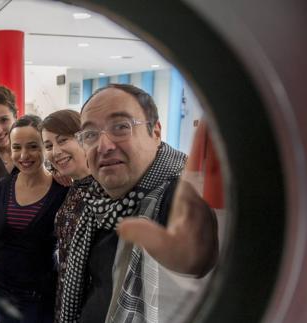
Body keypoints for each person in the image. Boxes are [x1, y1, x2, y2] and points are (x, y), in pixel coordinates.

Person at [60, 84, 218, 323]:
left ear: (156, 133)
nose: (104, 146)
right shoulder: (96, 201)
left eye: (121, 127)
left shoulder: (182, 202)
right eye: (90, 134)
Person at [0, 115, 69, 323]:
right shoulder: (1, 189)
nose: (24, 155)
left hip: (42, 301)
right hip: (2, 297)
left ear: (45, 147)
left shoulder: (62, 191)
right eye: (16, 147)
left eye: (33, 146)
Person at [40, 109, 92, 322]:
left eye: (63, 140)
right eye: (49, 145)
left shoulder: (104, 189)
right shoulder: (74, 186)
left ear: (83, 138)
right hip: (66, 297)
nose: (55, 151)